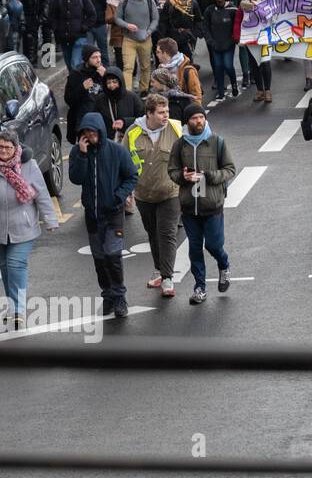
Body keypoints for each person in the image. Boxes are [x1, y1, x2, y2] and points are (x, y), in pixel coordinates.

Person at [68, 112, 137, 320]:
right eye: (86, 132)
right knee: (99, 259)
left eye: (93, 131)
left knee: (113, 255)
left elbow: (132, 175)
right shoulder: (78, 151)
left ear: (100, 130)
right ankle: (107, 293)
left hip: (113, 213)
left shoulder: (116, 151)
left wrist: (120, 195)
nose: (90, 135)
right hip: (92, 215)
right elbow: (76, 178)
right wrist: (81, 154)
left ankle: (119, 297)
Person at [168, 103, 235, 305]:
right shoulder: (180, 145)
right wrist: (183, 176)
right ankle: (200, 288)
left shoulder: (217, 142)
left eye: (201, 117)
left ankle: (224, 265)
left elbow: (230, 169)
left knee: (214, 245)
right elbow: (172, 170)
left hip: (212, 205)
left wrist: (211, 176)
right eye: (194, 118)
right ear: (187, 122)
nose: (198, 121)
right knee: (194, 249)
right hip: (189, 207)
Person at [0, 130, 59, 331]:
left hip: (24, 227)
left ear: (16, 148)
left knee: (16, 264)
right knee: (5, 268)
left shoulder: (29, 166)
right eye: (0, 147)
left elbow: (42, 194)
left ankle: (19, 311)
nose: (4, 151)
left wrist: (51, 219)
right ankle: (13, 306)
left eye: (8, 147)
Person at [126, 95, 184, 297]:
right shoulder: (133, 133)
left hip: (170, 192)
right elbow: (124, 162)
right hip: (143, 195)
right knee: (153, 233)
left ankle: (168, 278)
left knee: (167, 233)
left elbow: (190, 150)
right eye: (160, 112)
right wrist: (126, 191)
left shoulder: (176, 128)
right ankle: (159, 269)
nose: (165, 115)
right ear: (149, 114)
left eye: (166, 111)